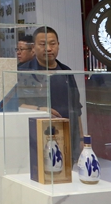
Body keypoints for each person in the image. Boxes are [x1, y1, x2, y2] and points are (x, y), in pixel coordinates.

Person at [16, 27, 83, 159]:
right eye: (42, 44)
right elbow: (13, 105)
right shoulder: (22, 72)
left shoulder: (66, 72)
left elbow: (76, 108)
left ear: (58, 45)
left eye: (52, 44)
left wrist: (81, 139)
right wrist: (40, 110)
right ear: (33, 47)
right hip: (35, 138)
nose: (48, 48)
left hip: (66, 136)